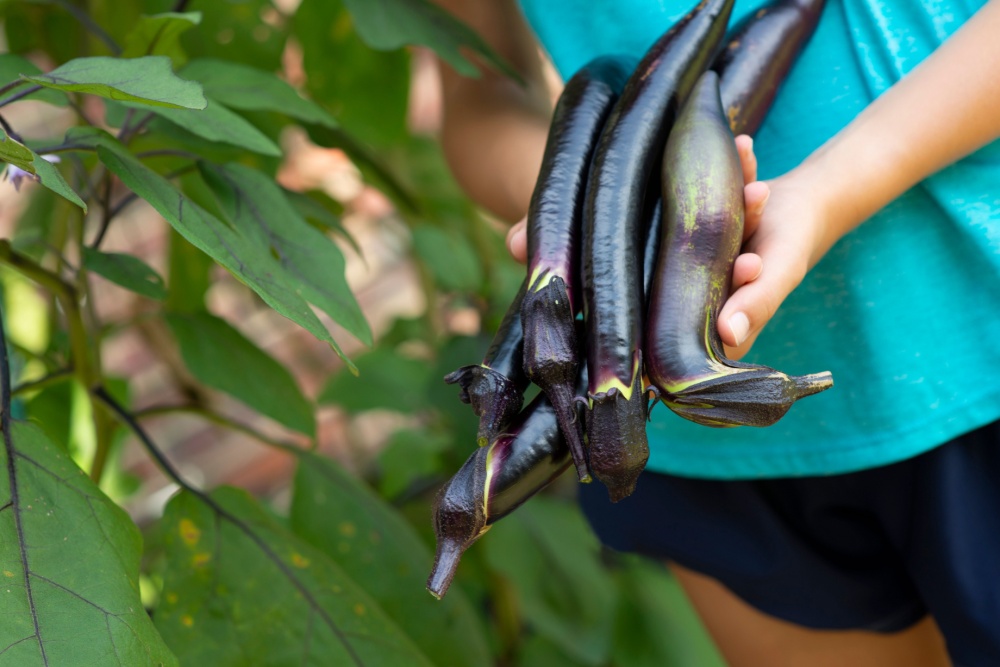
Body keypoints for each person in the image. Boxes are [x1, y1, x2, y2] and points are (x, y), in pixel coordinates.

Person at [430, 0, 1000, 664]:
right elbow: (479, 98)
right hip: (696, 445)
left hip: (978, 342)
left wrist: (828, 192)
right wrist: (585, 200)